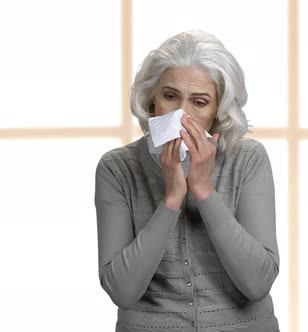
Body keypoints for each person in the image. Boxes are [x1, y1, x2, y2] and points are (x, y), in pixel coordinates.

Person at [95, 30, 280, 332]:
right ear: (151, 99)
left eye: (199, 102)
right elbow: (122, 291)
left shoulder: (247, 159)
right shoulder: (117, 168)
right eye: (170, 96)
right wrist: (171, 200)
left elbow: (258, 284)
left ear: (218, 112)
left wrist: (204, 192)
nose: (182, 115)